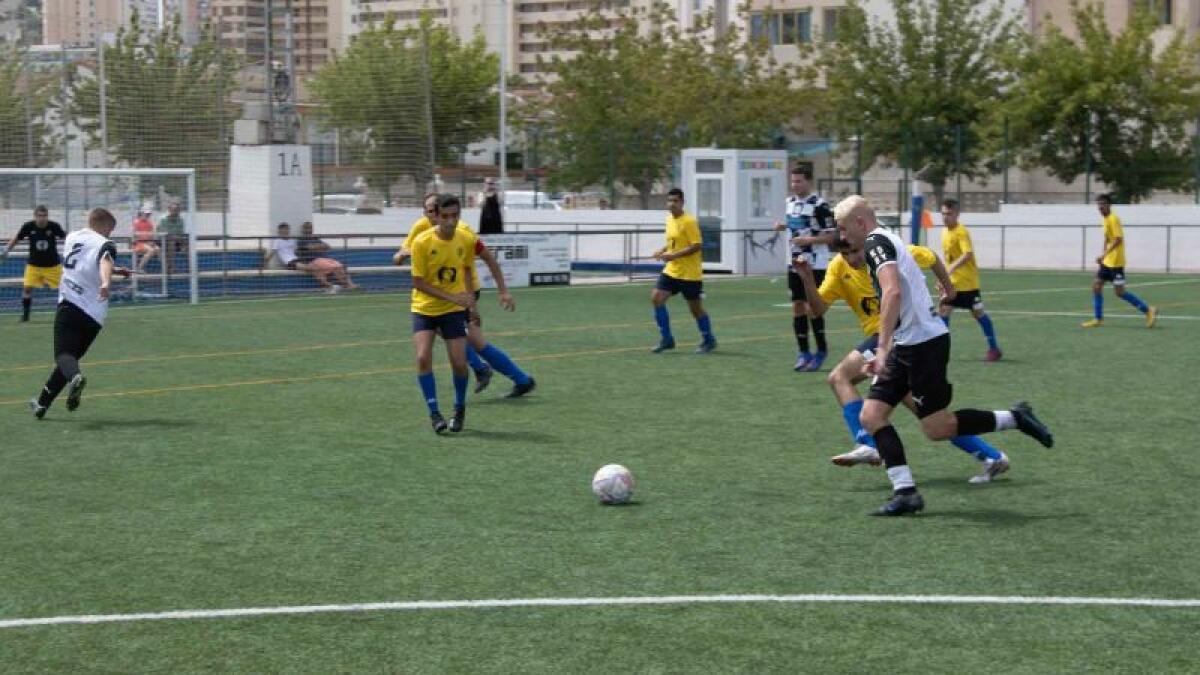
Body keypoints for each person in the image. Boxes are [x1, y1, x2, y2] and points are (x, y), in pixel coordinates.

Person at [835, 195, 1054, 516]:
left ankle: (1015, 417)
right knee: (872, 415)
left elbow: (893, 291)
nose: (842, 237)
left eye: (843, 228)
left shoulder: (874, 242)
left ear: (859, 223)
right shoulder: (883, 237)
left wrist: (881, 349)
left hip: (924, 346)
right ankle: (905, 492)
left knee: (938, 427)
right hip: (908, 343)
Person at [793, 235, 1011, 484]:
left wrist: (947, 287)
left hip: (902, 338)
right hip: (893, 345)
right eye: (845, 254)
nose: (852, 259)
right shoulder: (838, 268)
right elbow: (818, 310)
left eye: (855, 251)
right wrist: (808, 279)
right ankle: (992, 457)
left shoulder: (891, 253)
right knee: (929, 417)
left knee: (839, 376)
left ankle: (868, 443)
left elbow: (930, 256)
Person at [395, 194, 536, 398]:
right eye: (429, 211)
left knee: (459, 336)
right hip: (438, 294)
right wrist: (400, 255)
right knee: (470, 340)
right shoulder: (421, 228)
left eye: (436, 210)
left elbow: (488, 258)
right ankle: (517, 378)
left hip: (463, 291)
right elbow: (402, 252)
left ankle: (489, 371)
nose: (433, 215)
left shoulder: (462, 231)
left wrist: (501, 291)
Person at [28, 208, 131, 419]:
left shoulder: (72, 237)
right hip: (94, 315)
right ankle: (41, 404)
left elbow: (93, 261)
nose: (110, 234)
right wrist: (107, 279)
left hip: (70, 305)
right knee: (69, 359)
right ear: (103, 225)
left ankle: (75, 378)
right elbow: (104, 260)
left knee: (64, 356)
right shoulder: (106, 244)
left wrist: (109, 275)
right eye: (110, 229)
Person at [409, 194, 480, 433]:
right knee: (422, 358)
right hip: (424, 308)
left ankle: (459, 408)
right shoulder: (421, 242)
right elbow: (418, 282)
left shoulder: (465, 239)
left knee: (460, 363)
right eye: (445, 216)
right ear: (436, 216)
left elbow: (467, 269)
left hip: (453, 310)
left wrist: (471, 305)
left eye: (455, 216)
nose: (450, 221)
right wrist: (453, 297)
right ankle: (434, 413)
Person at [773, 167, 835, 371]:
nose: (795, 185)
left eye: (799, 181)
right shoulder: (789, 204)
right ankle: (803, 352)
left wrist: (808, 239)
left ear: (808, 182)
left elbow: (831, 237)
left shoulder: (820, 205)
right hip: (794, 263)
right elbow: (796, 226)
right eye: (793, 181)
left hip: (815, 264)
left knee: (813, 308)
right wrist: (783, 226)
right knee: (797, 306)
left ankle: (821, 350)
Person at [650, 187, 716, 354]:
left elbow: (696, 245)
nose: (672, 204)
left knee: (695, 309)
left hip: (689, 273)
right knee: (657, 298)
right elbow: (673, 242)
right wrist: (662, 250)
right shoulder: (669, 220)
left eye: (675, 201)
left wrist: (674, 255)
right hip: (672, 271)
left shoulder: (689, 221)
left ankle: (708, 339)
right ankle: (667, 339)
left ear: (682, 202)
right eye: (669, 201)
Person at [937, 199, 1002, 361]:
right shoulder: (944, 232)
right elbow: (948, 259)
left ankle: (994, 348)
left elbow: (967, 255)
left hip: (968, 284)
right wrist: (943, 278)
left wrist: (949, 269)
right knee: (944, 312)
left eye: (949, 214)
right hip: (952, 284)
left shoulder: (961, 231)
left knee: (978, 314)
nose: (946, 217)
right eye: (943, 214)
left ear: (957, 214)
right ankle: (940, 351)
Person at [1081, 194, 1158, 328]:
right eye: (1099, 204)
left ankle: (1148, 310)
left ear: (1109, 205)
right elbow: (1107, 239)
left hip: (1116, 262)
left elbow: (1118, 240)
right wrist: (1103, 256)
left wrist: (1105, 254)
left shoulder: (1113, 218)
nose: (1100, 207)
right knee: (1096, 286)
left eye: (1103, 204)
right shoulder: (1104, 219)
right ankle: (1098, 319)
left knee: (1120, 292)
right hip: (1107, 262)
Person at [1, 205, 67, 322]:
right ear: (35, 216)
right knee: (27, 288)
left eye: (44, 216)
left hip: (53, 266)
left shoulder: (54, 226)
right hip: (34, 265)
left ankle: (65, 314)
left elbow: (66, 237)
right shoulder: (28, 226)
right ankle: (25, 316)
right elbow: (17, 238)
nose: (42, 218)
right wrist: (6, 250)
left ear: (47, 216)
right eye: (39, 216)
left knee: (64, 288)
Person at [297, 222, 359, 291]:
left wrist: (316, 247)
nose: (308, 230)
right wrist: (319, 247)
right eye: (306, 228)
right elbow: (309, 247)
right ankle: (345, 285)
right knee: (335, 267)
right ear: (303, 230)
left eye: (310, 228)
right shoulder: (301, 240)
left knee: (340, 265)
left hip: (324, 259)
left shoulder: (315, 238)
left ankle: (349, 284)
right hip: (314, 261)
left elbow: (327, 246)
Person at [159, 201, 187, 274]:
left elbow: (181, 233)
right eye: (174, 210)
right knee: (171, 242)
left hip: (176, 240)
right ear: (169, 210)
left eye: (177, 210)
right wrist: (176, 237)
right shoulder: (163, 219)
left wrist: (183, 244)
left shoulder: (180, 220)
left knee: (188, 244)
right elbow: (165, 234)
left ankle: (190, 267)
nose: (176, 212)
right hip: (163, 241)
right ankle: (171, 268)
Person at [131, 207, 160, 274]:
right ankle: (139, 268)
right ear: (141, 213)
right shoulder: (136, 222)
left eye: (148, 214)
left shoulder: (149, 223)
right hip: (138, 243)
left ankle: (162, 268)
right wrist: (147, 240)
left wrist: (151, 242)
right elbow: (135, 235)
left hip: (147, 243)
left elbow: (152, 235)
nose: (147, 216)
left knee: (158, 249)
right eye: (146, 214)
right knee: (151, 250)